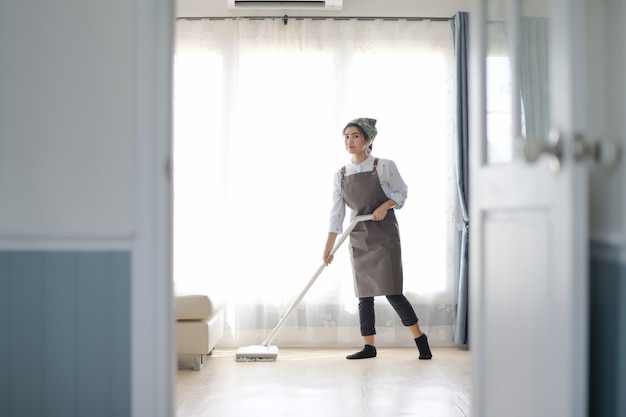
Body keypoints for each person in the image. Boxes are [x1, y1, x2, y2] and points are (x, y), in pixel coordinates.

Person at [323, 117, 432, 360]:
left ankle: (420, 339)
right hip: (358, 234)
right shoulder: (340, 175)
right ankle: (369, 347)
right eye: (346, 137)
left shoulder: (384, 166)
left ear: (368, 141)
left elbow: (402, 192)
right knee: (364, 294)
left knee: (393, 291)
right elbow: (336, 214)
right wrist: (328, 248)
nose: (349, 141)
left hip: (384, 235)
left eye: (355, 136)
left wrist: (386, 205)